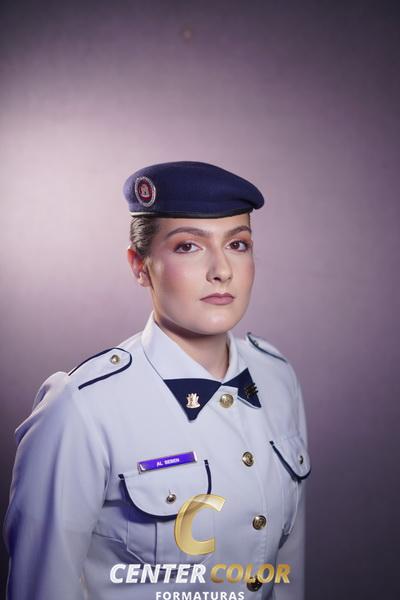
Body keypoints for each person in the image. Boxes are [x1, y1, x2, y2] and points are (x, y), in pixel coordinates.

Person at [3, 161, 311, 600]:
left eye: (238, 244)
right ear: (140, 266)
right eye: (188, 246)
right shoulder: (82, 408)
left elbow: (286, 575)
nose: (222, 270)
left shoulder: (276, 378)